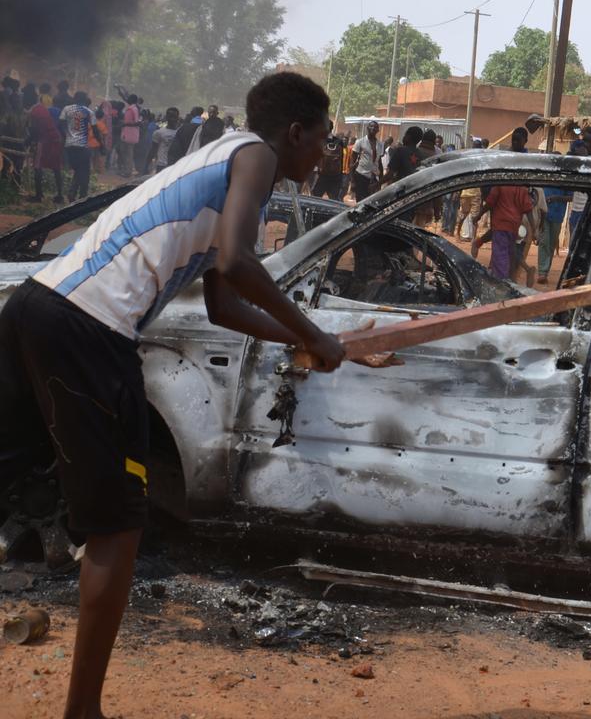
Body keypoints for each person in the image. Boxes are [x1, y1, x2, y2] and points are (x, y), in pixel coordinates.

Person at [0, 71, 345, 719]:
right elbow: (240, 265)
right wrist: (315, 330)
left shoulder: (228, 162)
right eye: (322, 140)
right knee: (119, 526)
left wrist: (303, 343)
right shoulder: (256, 156)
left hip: (38, 308)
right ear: (294, 132)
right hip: (88, 329)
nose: (324, 154)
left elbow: (221, 300)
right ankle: (82, 713)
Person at [483, 179, 533, 281]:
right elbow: (528, 210)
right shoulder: (522, 189)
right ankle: (504, 278)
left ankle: (503, 281)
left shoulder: (500, 185)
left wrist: (478, 215)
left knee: (501, 254)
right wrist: (534, 229)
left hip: (501, 225)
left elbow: (490, 203)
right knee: (510, 253)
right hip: (514, 227)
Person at [28, 94, 64, 203]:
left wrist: (28, 141)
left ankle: (39, 195)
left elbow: (34, 129)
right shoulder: (44, 110)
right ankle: (60, 195)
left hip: (45, 141)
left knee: (37, 166)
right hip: (56, 140)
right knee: (56, 168)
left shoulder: (36, 110)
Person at [61, 92, 96, 201]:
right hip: (83, 147)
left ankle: (72, 193)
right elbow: (96, 130)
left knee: (78, 170)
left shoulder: (67, 109)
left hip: (69, 146)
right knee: (85, 171)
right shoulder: (89, 112)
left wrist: (66, 137)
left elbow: (60, 125)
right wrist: (102, 145)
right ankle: (82, 195)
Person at [538, 183, 573, 284]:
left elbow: (571, 197)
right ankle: (542, 272)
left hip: (557, 215)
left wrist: (557, 198)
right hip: (543, 213)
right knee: (544, 241)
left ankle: (545, 271)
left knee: (551, 243)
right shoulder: (546, 178)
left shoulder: (565, 180)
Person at [349, 120, 383, 201]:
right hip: (361, 175)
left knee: (371, 201)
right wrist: (352, 181)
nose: (373, 128)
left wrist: (380, 181)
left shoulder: (380, 144)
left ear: (378, 130)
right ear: (367, 128)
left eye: (375, 127)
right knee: (360, 201)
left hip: (374, 177)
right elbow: (352, 162)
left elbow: (379, 162)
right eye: (371, 126)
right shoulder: (360, 142)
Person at [312, 121, 345, 200]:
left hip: (321, 175)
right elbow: (341, 160)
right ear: (332, 128)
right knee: (333, 199)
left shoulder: (318, 140)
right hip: (335, 176)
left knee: (315, 198)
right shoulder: (339, 142)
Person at [150, 107, 181, 172]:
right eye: (170, 116)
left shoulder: (180, 132)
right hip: (161, 164)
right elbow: (153, 150)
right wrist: (148, 164)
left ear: (178, 118)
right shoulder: (158, 132)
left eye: (174, 117)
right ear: (166, 117)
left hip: (175, 165)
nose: (172, 119)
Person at [118, 95, 141, 177]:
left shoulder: (132, 109)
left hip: (129, 133)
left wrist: (124, 124)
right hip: (130, 133)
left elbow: (134, 122)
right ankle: (128, 170)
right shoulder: (134, 108)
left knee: (127, 153)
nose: (127, 99)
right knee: (127, 152)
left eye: (129, 98)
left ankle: (128, 171)